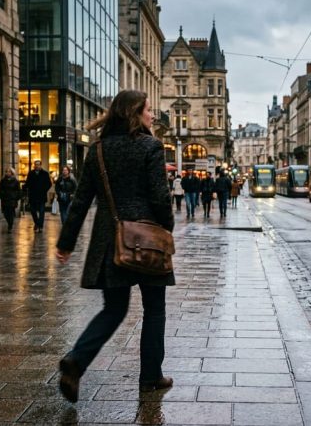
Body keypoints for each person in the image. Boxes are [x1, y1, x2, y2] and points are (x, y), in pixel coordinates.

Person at [55, 90, 175, 403]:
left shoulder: (97, 150)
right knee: (155, 309)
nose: (152, 115)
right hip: (147, 239)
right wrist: (168, 229)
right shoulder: (151, 146)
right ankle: (151, 376)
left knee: (114, 309)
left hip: (111, 240)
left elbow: (81, 201)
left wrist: (65, 243)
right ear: (135, 113)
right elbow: (160, 197)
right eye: (148, 110)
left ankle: (77, 360)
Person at [25, 159, 53, 232]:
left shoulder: (45, 173)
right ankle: (37, 223)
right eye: (36, 165)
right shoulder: (31, 173)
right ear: (34, 165)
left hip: (41, 195)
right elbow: (27, 183)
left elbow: (49, 184)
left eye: (38, 164)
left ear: (40, 165)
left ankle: (40, 226)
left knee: (41, 211)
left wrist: (44, 190)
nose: (37, 166)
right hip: (33, 196)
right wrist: (26, 191)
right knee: (33, 211)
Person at [0, 167, 22, 232]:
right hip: (4, 199)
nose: (7, 173)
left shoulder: (16, 181)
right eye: (6, 172)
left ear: (12, 173)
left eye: (9, 172)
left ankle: (10, 226)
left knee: (11, 213)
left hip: (12, 200)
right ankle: (9, 223)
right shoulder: (3, 180)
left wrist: (16, 197)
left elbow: (19, 191)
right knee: (6, 213)